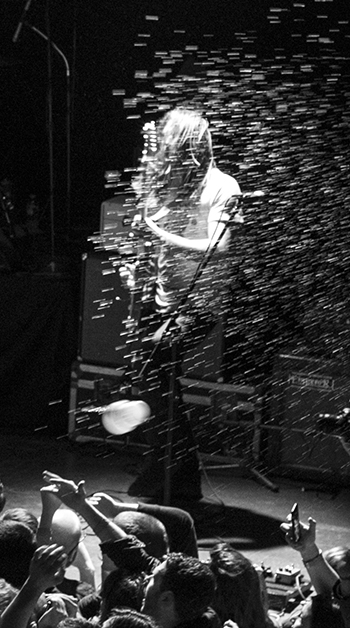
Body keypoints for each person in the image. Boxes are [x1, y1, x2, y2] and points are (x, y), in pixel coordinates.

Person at [126, 106, 242, 501]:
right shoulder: (172, 184)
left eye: (171, 145)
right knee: (150, 379)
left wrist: (159, 233)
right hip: (162, 299)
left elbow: (219, 246)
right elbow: (147, 227)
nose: (166, 153)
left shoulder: (224, 186)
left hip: (199, 304)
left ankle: (175, 468)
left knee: (154, 364)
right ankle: (173, 468)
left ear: (188, 146)